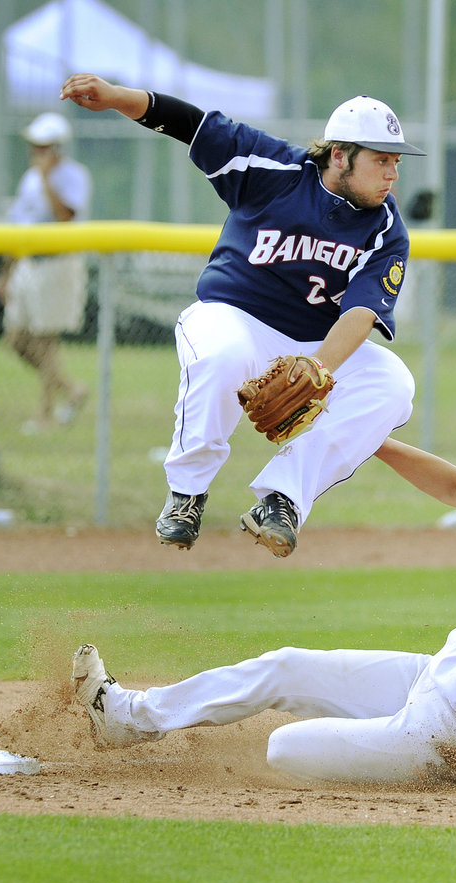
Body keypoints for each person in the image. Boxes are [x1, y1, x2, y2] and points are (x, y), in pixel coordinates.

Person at [71, 431, 456, 797]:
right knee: (286, 666)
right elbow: (452, 484)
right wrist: (372, 441)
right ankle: (126, 719)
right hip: (438, 681)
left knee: (284, 749)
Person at [60, 74, 422, 557]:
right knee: (224, 354)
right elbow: (190, 124)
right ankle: (187, 493)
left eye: (395, 161)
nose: (392, 174)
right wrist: (115, 98)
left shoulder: (385, 227)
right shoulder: (274, 167)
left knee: (394, 384)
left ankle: (283, 500)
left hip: (313, 344)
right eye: (380, 160)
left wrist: (318, 370)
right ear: (339, 154)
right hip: (233, 317)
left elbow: (360, 312)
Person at [0, 112, 92, 434]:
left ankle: (45, 414)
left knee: (44, 339)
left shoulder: (73, 176)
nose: (36, 152)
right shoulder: (29, 178)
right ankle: (70, 388)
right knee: (16, 339)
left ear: (56, 148)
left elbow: (65, 216)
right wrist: (7, 272)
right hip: (28, 264)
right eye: (34, 146)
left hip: (57, 262)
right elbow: (17, 227)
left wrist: (47, 180)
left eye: (43, 146)